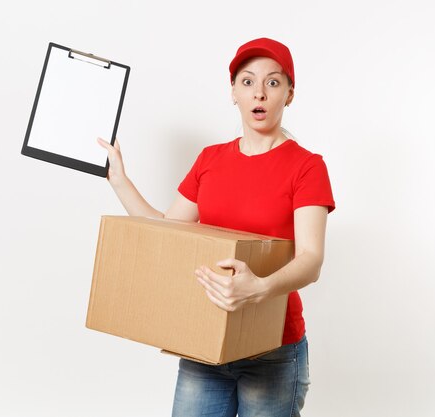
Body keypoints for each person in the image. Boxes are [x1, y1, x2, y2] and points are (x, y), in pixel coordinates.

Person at [97, 37, 335, 417]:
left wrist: (258, 289)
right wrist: (119, 180)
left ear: (289, 94)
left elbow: (311, 259)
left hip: (272, 350)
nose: (259, 92)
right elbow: (169, 231)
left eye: (273, 83)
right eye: (247, 82)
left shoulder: (307, 167)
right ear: (233, 93)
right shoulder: (210, 160)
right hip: (203, 342)